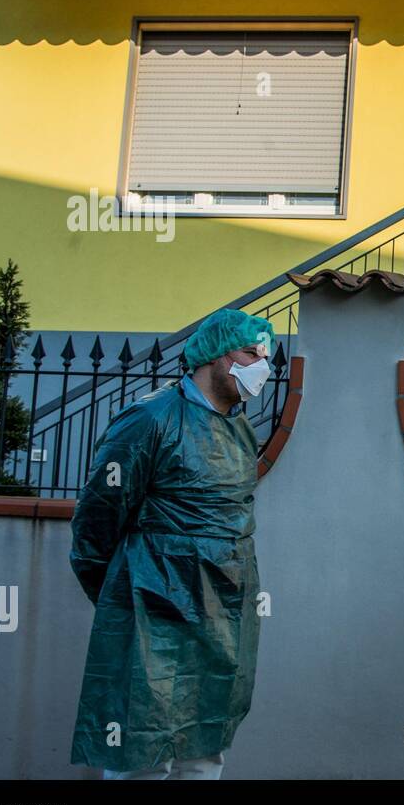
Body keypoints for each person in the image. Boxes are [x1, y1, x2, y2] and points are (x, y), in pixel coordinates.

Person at [69, 308, 275, 780]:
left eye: (265, 356)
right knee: (143, 744)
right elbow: (98, 518)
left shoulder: (240, 431)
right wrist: (121, 596)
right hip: (152, 606)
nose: (261, 366)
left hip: (223, 610)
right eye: (250, 353)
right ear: (215, 356)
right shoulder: (150, 420)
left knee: (205, 743)